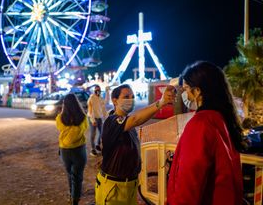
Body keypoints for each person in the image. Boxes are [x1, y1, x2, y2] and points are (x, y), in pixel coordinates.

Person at [167, 61, 245, 205]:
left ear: (197, 91)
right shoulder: (221, 119)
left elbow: (189, 182)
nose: (185, 95)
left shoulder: (200, 124)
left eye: (186, 89)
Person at [95, 83, 176, 205]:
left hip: (130, 186)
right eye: (126, 97)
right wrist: (161, 102)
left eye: (132, 96)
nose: (131, 100)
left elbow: (138, 119)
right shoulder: (112, 121)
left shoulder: (128, 124)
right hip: (114, 188)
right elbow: (136, 119)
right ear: (114, 100)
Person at [56, 93, 89, 205]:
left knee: (69, 173)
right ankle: (75, 198)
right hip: (79, 150)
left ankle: (72, 194)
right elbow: (85, 128)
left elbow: (59, 127)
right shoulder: (83, 117)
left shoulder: (60, 118)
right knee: (77, 175)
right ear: (77, 103)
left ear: (65, 105)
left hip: (65, 150)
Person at [87, 85, 107, 156]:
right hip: (92, 118)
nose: (98, 91)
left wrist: (106, 118)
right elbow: (90, 110)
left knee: (101, 132)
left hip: (99, 118)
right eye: (96, 90)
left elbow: (104, 108)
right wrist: (93, 120)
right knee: (93, 134)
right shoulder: (91, 98)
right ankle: (93, 149)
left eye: (99, 90)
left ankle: (97, 144)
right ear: (94, 91)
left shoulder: (101, 98)